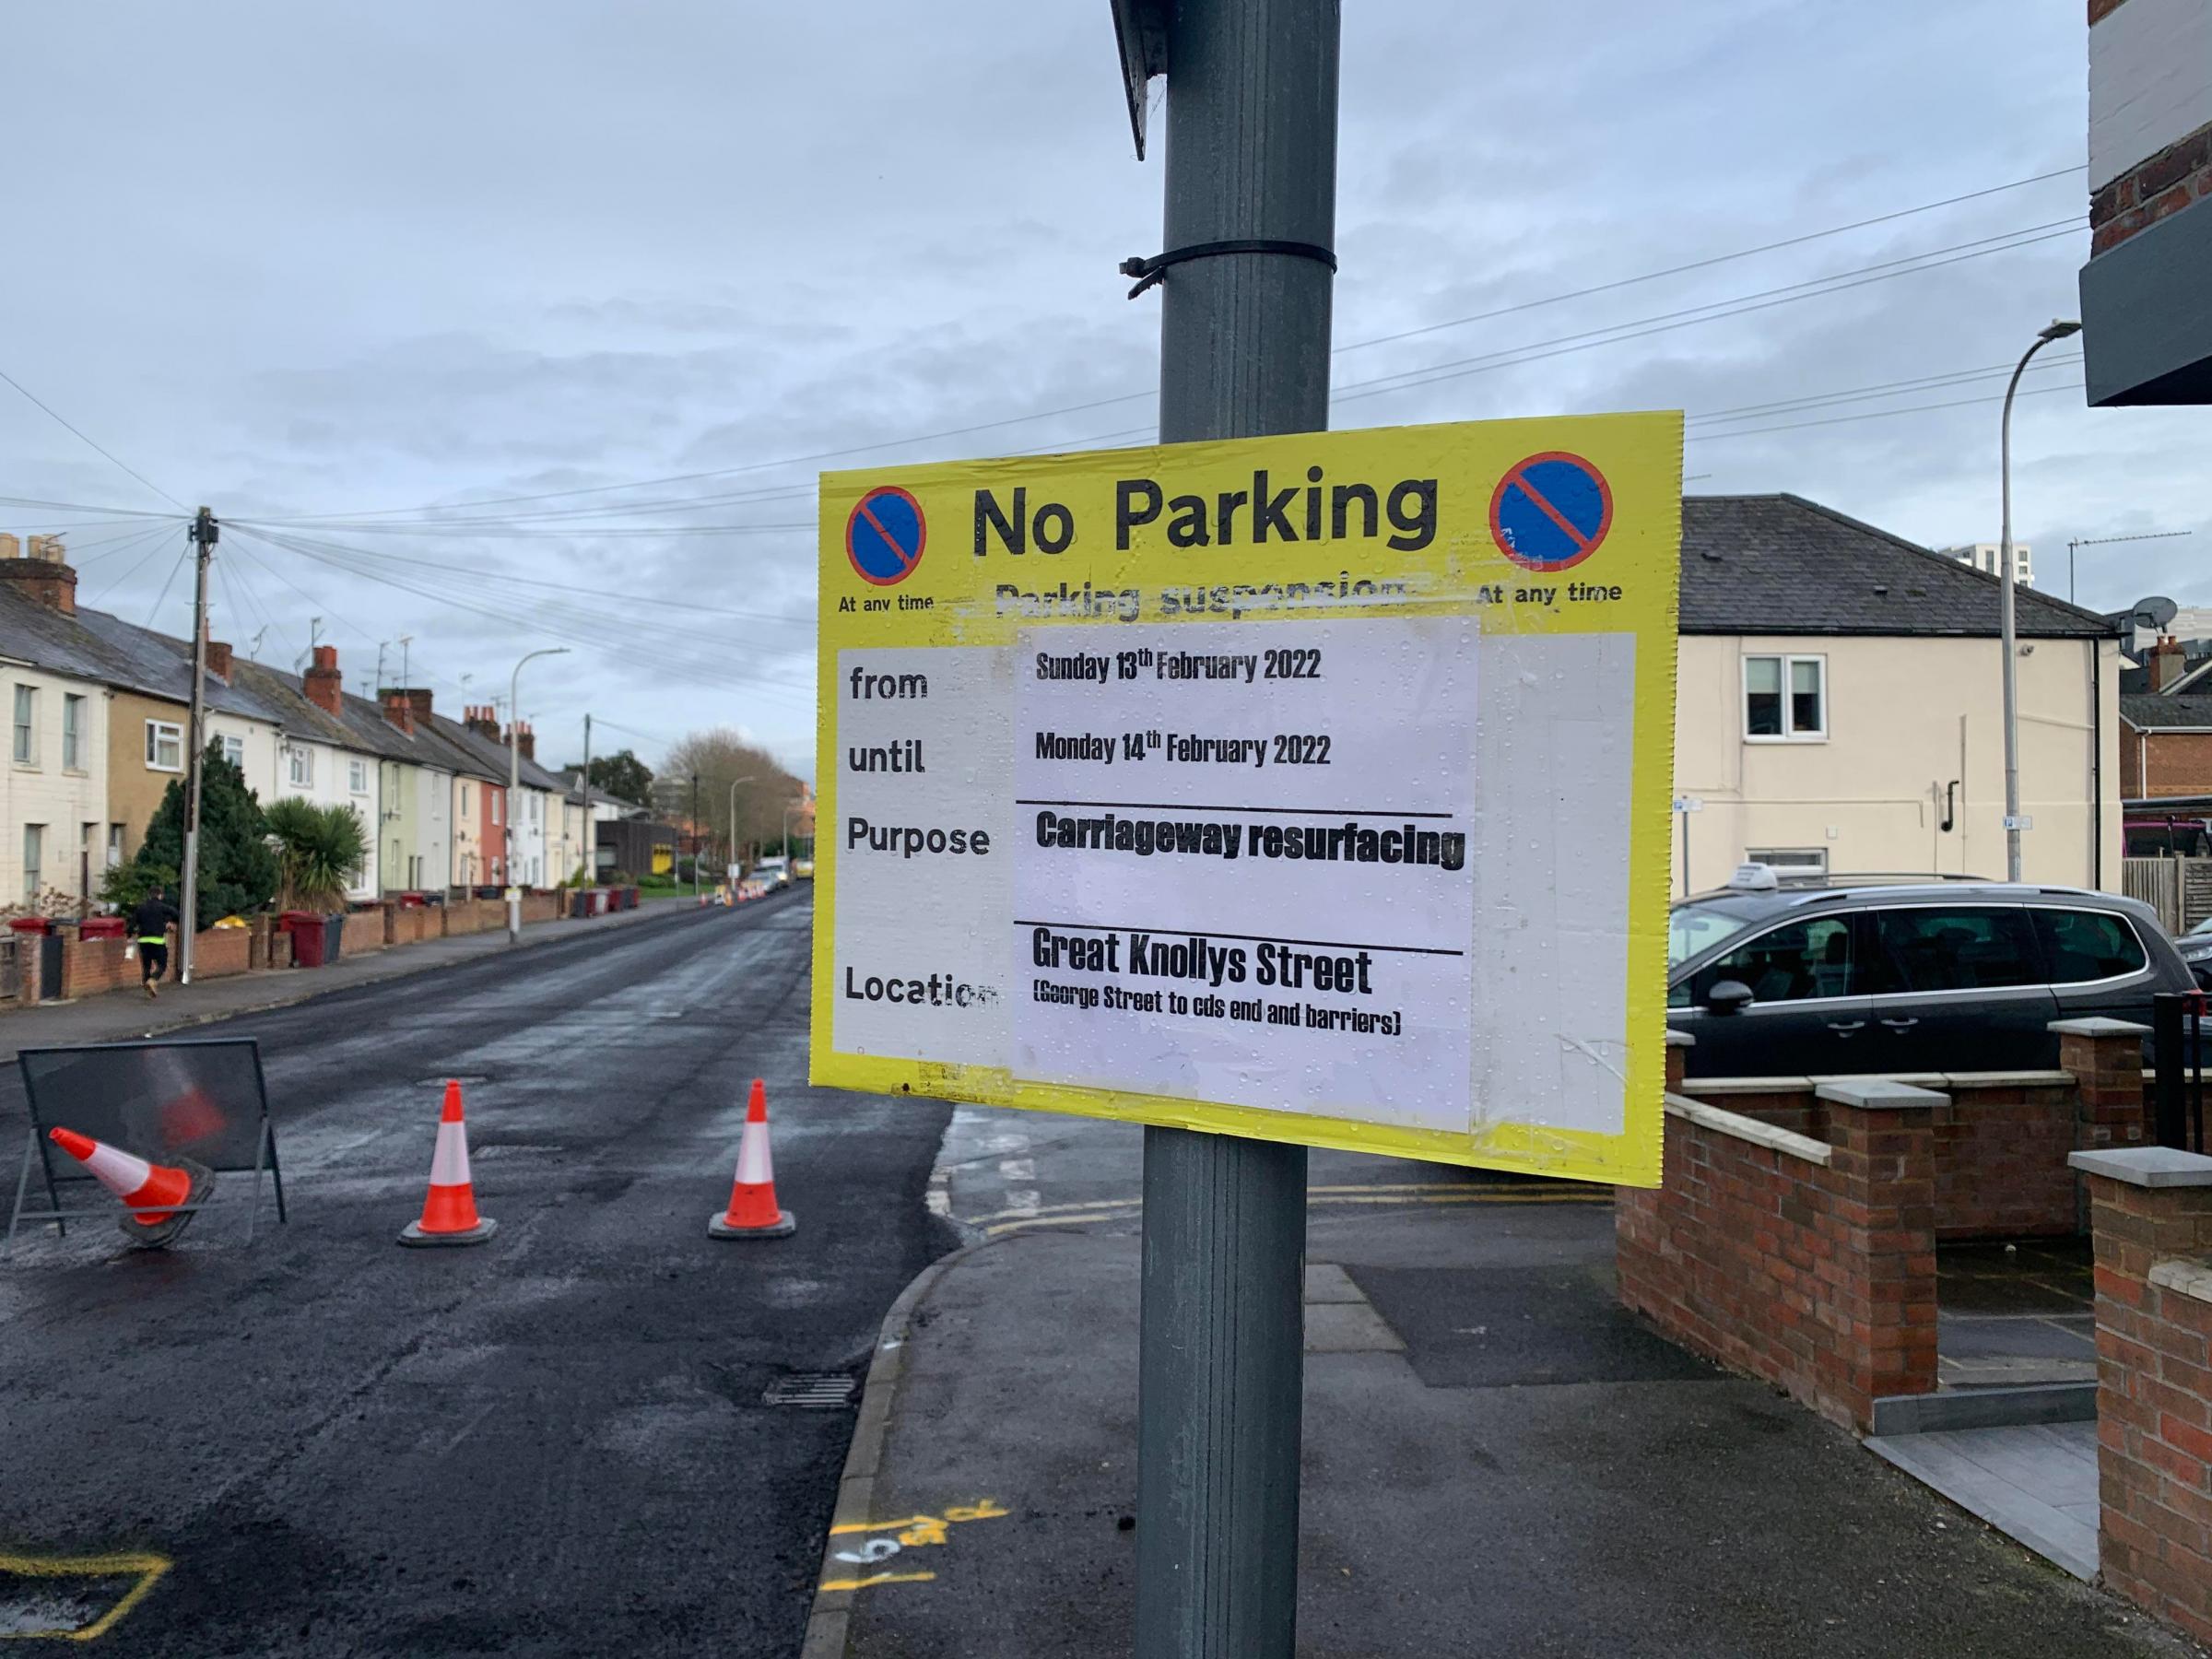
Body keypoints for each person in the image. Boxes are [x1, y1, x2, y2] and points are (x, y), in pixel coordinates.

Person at [129, 888, 181, 998]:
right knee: (162, 964)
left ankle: (148, 989)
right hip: (157, 940)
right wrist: (168, 921)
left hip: (143, 940)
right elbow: (176, 913)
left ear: (149, 895)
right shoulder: (162, 907)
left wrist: (129, 934)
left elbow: (131, 925)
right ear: (160, 896)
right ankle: (152, 980)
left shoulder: (141, 908)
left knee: (146, 966)